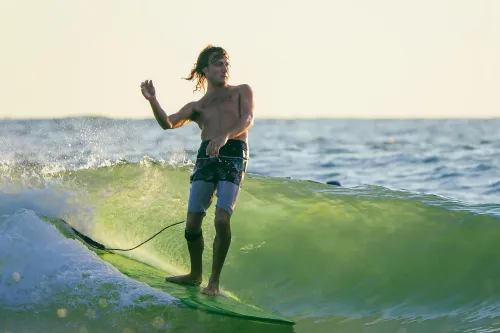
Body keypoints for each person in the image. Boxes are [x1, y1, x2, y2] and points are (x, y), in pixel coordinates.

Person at [140, 45, 254, 295]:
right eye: (217, 63)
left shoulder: (241, 92)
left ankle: (213, 281)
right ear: (205, 69)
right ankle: (194, 275)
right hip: (206, 157)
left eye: (226, 63)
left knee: (222, 219)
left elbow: (247, 119)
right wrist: (153, 101)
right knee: (192, 225)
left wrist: (224, 136)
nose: (224, 68)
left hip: (234, 155)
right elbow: (168, 123)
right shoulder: (198, 106)